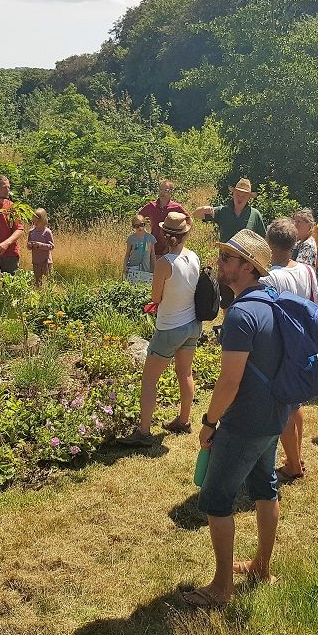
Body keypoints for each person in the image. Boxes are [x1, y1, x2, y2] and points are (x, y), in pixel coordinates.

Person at [183, 230, 289, 608]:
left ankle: (222, 588)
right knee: (264, 486)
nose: (220, 263)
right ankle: (261, 566)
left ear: (248, 267)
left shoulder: (242, 314)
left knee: (216, 497)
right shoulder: (271, 303)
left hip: (244, 421)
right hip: (274, 415)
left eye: (228, 258)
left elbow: (229, 383)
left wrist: (210, 422)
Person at [120, 211, 202, 447]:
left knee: (149, 380)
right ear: (185, 235)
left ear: (165, 235)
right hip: (192, 325)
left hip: (169, 327)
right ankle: (184, 420)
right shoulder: (194, 257)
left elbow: (156, 297)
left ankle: (144, 432)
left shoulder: (165, 263)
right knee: (185, 373)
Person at [259, 218, 318, 483]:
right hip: (303, 344)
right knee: (295, 404)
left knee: (282, 407)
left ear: (269, 244)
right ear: (294, 243)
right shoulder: (306, 271)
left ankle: (293, 464)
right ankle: (295, 455)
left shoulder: (269, 276)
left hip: (281, 348)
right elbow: (316, 305)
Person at [193, 178, 266, 308]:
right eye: (238, 194)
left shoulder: (255, 215)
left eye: (244, 195)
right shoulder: (223, 211)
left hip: (246, 265)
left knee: (245, 296)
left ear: (249, 197)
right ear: (233, 194)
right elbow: (196, 215)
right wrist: (204, 209)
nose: (240, 197)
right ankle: (226, 326)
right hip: (225, 261)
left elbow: (262, 240)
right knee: (226, 299)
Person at [138, 179, 189, 257]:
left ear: (171, 192)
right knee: (153, 268)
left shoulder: (176, 207)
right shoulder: (151, 206)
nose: (161, 192)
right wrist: (144, 234)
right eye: (160, 189)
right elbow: (138, 218)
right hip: (153, 247)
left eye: (165, 190)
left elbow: (189, 220)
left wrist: (182, 240)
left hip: (171, 249)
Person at [122, 214, 156, 281]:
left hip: (146, 270)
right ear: (133, 227)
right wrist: (124, 266)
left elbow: (152, 255)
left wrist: (154, 270)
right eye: (137, 226)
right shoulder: (131, 238)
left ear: (144, 224)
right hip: (133, 269)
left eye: (142, 225)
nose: (140, 228)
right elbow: (127, 254)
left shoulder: (150, 238)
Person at [27, 208, 55, 289]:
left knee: (49, 281)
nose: (35, 222)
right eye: (34, 220)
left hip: (46, 261)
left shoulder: (47, 232)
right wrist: (30, 245)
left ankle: (49, 297)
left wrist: (40, 245)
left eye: (37, 220)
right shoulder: (31, 232)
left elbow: (51, 246)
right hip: (36, 261)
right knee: (37, 282)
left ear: (42, 219)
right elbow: (28, 246)